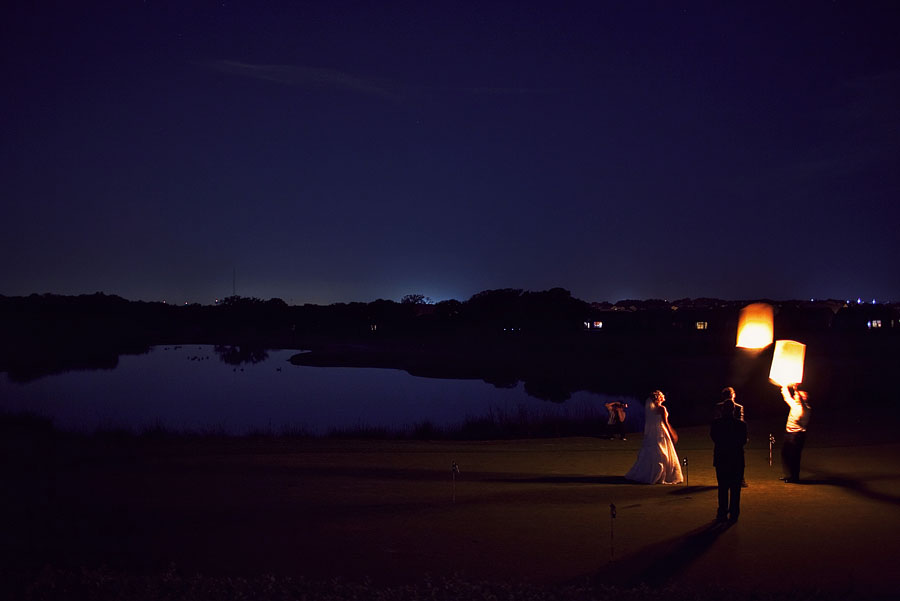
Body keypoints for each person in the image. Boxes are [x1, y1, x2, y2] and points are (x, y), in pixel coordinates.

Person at [625, 390, 683, 484]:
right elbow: (665, 422)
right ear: (658, 398)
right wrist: (672, 433)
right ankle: (662, 475)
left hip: (654, 433)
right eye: (661, 395)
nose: (663, 396)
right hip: (661, 432)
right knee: (662, 452)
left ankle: (650, 472)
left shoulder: (650, 409)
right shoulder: (661, 408)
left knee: (655, 451)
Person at [711, 398, 748, 522]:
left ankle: (722, 512)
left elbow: (714, 438)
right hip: (736, 459)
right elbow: (743, 441)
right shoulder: (741, 425)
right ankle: (734, 513)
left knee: (723, 487)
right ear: (733, 410)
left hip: (722, 458)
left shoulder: (716, 424)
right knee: (735, 488)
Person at [714, 387, 748, 487]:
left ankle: (730, 480)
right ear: (733, 395)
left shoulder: (719, 407)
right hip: (733, 437)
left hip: (724, 437)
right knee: (737, 459)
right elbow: (741, 422)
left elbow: (715, 424)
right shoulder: (738, 407)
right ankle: (739, 480)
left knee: (726, 460)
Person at [780, 384, 810, 483]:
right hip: (789, 434)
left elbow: (800, 400)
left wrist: (796, 389)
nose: (796, 396)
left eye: (798, 396)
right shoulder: (794, 405)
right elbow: (787, 397)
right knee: (785, 454)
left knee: (794, 456)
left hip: (797, 436)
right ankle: (788, 475)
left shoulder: (806, 409)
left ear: (804, 398)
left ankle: (794, 477)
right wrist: (783, 385)